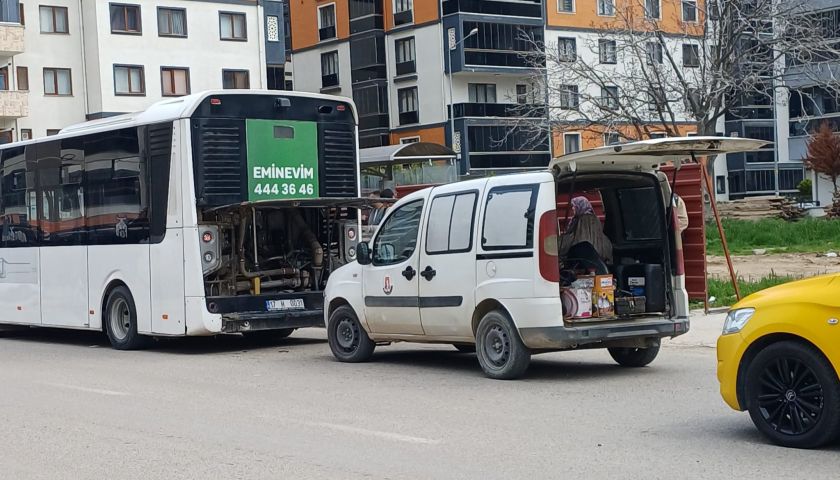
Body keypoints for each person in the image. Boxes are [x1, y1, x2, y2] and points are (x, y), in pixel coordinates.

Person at [558, 196, 613, 264]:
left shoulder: (571, 238)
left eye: (574, 206)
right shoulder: (607, 243)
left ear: (579, 207)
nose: (572, 208)